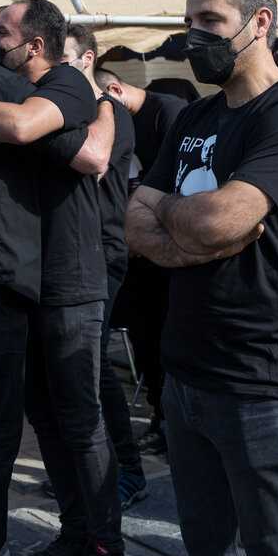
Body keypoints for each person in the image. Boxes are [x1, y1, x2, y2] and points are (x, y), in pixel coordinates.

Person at [125, 0, 278, 556]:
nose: (195, 35)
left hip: (258, 380)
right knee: (207, 546)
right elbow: (133, 219)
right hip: (183, 373)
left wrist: (175, 214)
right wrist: (190, 239)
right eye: (189, 21)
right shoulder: (196, 115)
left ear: (260, 22)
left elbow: (213, 222)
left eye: (210, 20)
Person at [0, 0, 124, 556]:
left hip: (72, 278)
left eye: (0, 31)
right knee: (45, 417)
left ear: (36, 46)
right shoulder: (12, 89)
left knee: (80, 418)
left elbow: (83, 153)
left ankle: (104, 543)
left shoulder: (66, 84)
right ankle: (77, 532)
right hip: (26, 277)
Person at [60, 25, 147, 511]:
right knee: (76, 367)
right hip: (71, 252)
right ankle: (90, 470)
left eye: (64, 59)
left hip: (102, 252)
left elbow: (88, 167)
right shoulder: (65, 105)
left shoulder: (109, 113)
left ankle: (128, 469)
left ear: (88, 59)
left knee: (92, 365)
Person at [95, 68, 186, 456]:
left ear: (115, 90)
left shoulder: (167, 113)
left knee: (168, 342)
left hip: (164, 258)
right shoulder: (109, 121)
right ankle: (159, 419)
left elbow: (180, 185)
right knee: (144, 340)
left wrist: (140, 232)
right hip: (129, 258)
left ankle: (175, 425)